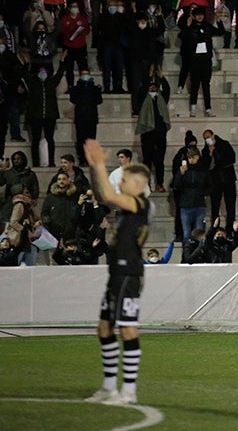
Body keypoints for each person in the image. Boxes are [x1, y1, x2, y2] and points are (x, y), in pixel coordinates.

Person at [82, 138, 152, 406]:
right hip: (117, 274)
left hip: (129, 274)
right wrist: (94, 169)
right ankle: (110, 387)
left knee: (128, 331)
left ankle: (129, 392)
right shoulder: (127, 207)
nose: (119, 183)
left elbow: (108, 195)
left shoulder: (141, 204)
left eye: (124, 180)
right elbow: (104, 196)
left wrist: (99, 163)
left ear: (137, 184)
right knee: (104, 328)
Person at [178, 6, 224, 117]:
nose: (200, 17)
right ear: (194, 16)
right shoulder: (191, 27)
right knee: (195, 85)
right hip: (194, 59)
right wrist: (187, 27)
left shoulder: (207, 26)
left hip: (206, 59)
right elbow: (182, 36)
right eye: (197, 15)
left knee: (206, 85)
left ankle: (208, 108)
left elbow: (220, 32)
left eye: (201, 15)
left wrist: (219, 22)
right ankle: (193, 108)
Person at [25, 56, 65, 167]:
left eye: (44, 71)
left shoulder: (51, 83)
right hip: (35, 116)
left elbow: (59, 74)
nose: (43, 73)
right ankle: (35, 163)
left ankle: (51, 162)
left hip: (50, 116)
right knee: (35, 140)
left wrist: (62, 62)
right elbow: (25, 74)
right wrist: (26, 63)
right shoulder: (33, 84)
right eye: (40, 72)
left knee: (50, 139)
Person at [136, 80, 170, 192]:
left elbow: (167, 88)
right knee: (147, 161)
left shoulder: (162, 99)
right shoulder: (143, 99)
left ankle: (159, 184)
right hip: (147, 135)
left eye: (155, 88)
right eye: (151, 88)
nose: (153, 90)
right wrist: (149, 77)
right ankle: (147, 184)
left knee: (159, 161)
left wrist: (162, 77)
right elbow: (141, 90)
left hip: (160, 135)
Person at [201, 130, 237, 234]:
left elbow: (231, 159)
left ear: (213, 135)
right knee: (215, 206)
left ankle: (230, 229)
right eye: (205, 138)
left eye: (208, 136)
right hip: (215, 182)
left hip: (228, 179)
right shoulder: (205, 151)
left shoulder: (224, 144)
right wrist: (210, 154)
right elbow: (206, 166)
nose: (207, 139)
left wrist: (217, 157)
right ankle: (215, 229)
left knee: (230, 206)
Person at [171, 148, 210, 243]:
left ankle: (200, 254)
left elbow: (209, 185)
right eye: (189, 157)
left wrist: (202, 193)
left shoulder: (203, 170)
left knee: (200, 232)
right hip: (185, 205)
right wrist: (181, 174)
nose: (191, 159)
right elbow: (176, 185)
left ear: (197, 156)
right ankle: (186, 254)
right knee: (186, 233)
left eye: (193, 157)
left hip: (199, 205)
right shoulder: (183, 170)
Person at [69, 69, 103, 161]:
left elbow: (99, 100)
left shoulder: (95, 88)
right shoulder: (76, 89)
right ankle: (82, 158)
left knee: (91, 140)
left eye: (87, 74)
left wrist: (92, 87)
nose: (85, 76)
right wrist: (81, 86)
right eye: (83, 74)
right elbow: (73, 99)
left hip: (91, 118)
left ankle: (90, 158)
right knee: (81, 140)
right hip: (80, 118)